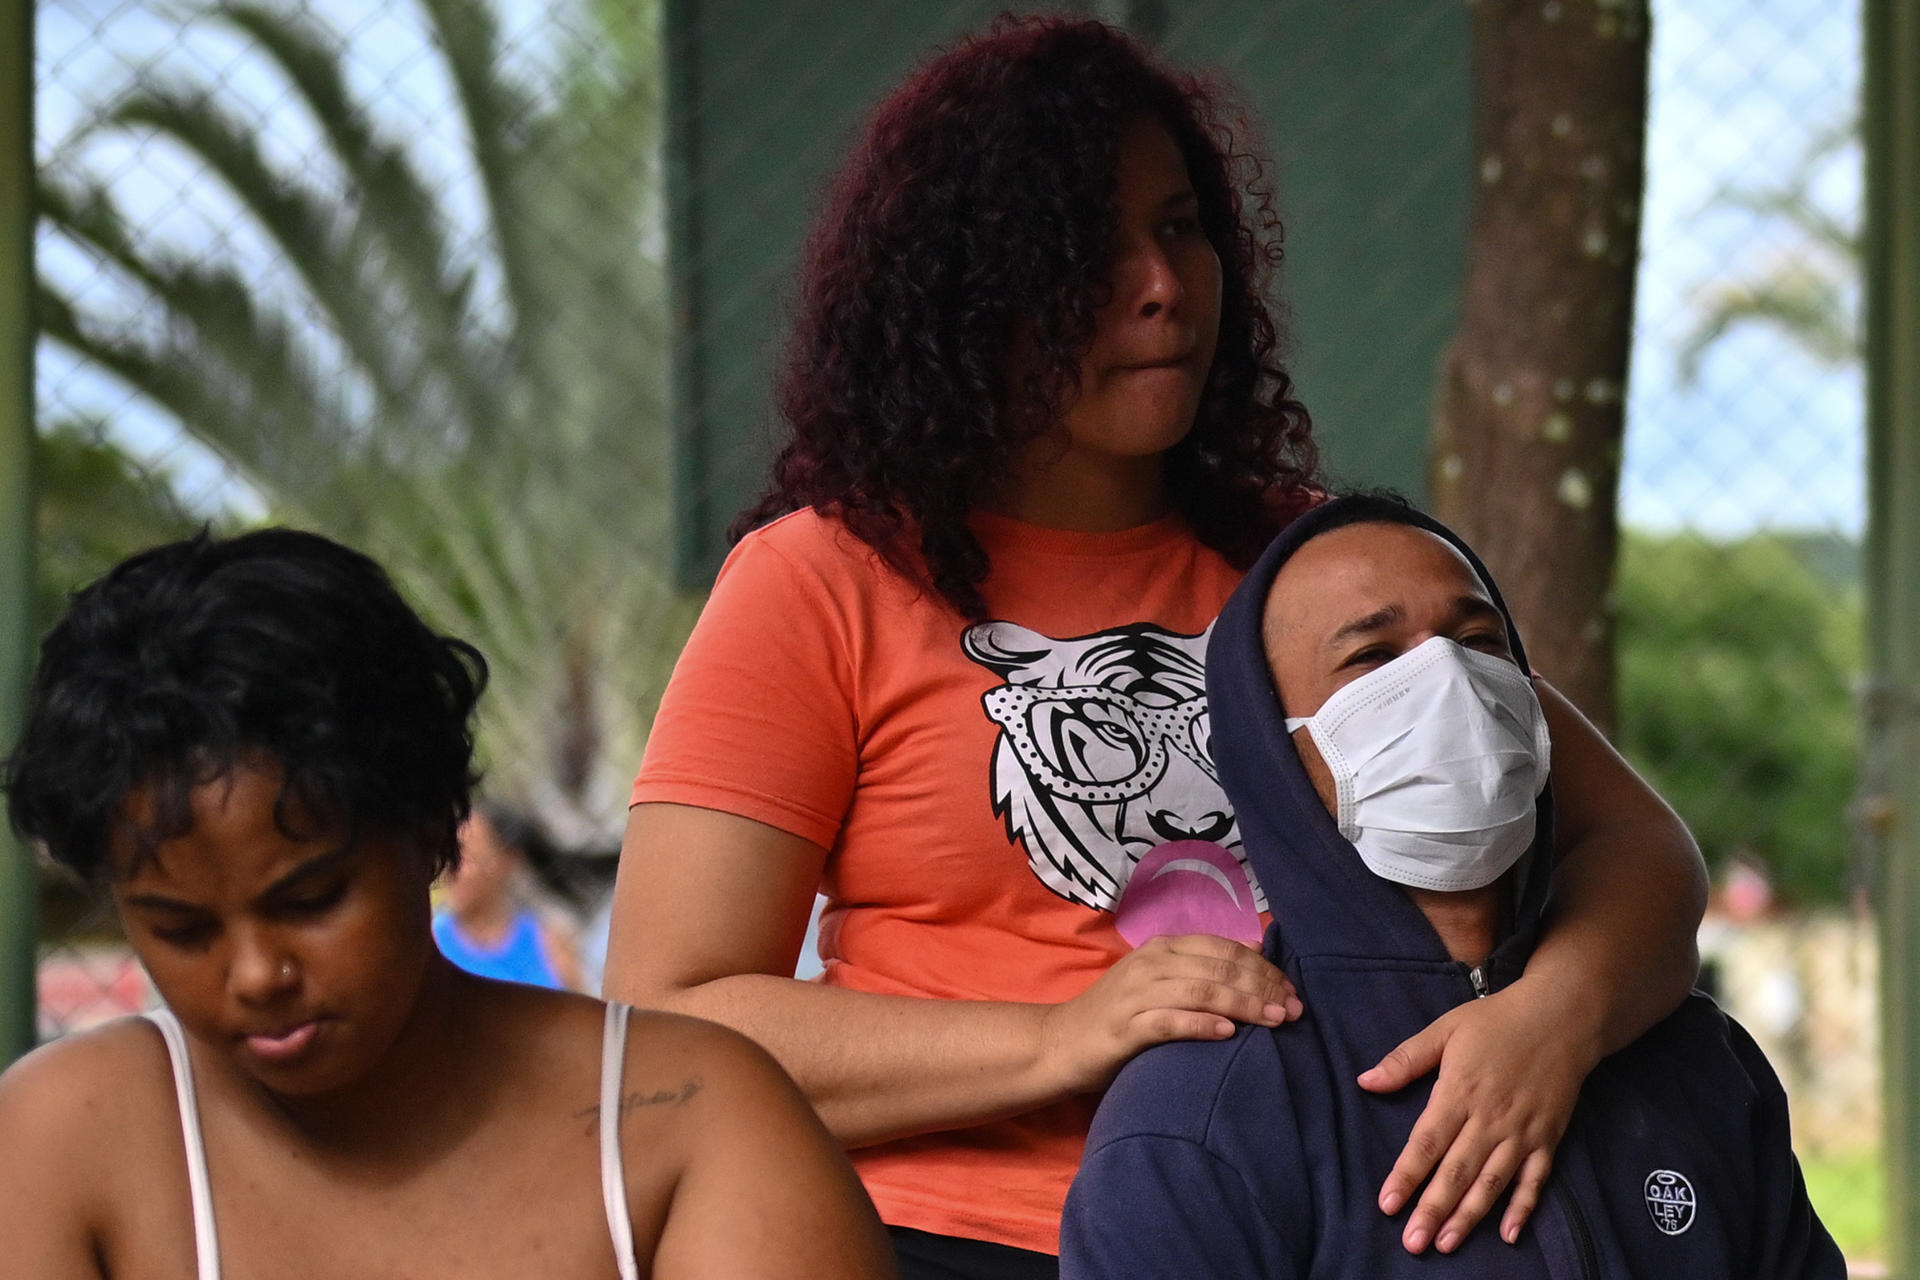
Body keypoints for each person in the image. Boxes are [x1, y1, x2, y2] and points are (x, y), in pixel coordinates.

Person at [604, 16, 1707, 1275]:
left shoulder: (1315, 569)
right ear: (967, 289)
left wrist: (1551, 1018)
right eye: (1087, 250)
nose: (1162, 283)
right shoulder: (819, 577)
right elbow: (665, 1022)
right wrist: (1058, 1036)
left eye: (1181, 225)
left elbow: (1637, 848)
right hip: (946, 1235)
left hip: (1327, 1214)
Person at [0, 528, 896, 1280]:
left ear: (434, 831)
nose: (256, 975)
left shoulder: (687, 1122)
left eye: (312, 899)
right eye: (179, 927)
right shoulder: (65, 1142)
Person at [1059, 494, 1845, 1278]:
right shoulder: (1198, 1124)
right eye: (1371, 657)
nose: (1449, 681)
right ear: (1273, 753)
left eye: (1477, 640)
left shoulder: (1695, 1061)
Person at [435, 799, 585, 990]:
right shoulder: (429, 944)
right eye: (448, 857)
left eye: (467, 858)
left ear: (507, 859)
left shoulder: (551, 943)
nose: (451, 870)